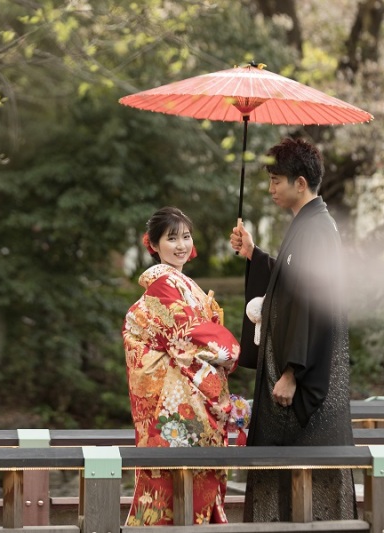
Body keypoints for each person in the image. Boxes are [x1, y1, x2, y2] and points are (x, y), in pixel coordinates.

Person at [230, 137, 355, 522]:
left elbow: (312, 306)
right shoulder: (309, 224)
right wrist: (254, 254)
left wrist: (291, 371)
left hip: (302, 377)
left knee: (304, 473)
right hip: (295, 370)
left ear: (300, 183)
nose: (271, 189)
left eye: (276, 180)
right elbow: (289, 282)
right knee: (287, 470)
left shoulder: (318, 229)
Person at [123, 206, 250, 526]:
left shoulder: (178, 283)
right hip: (177, 407)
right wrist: (234, 352)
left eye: (186, 236)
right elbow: (192, 335)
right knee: (182, 489)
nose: (181, 245)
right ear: (153, 244)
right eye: (171, 238)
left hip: (175, 403)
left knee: (178, 489)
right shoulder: (165, 285)